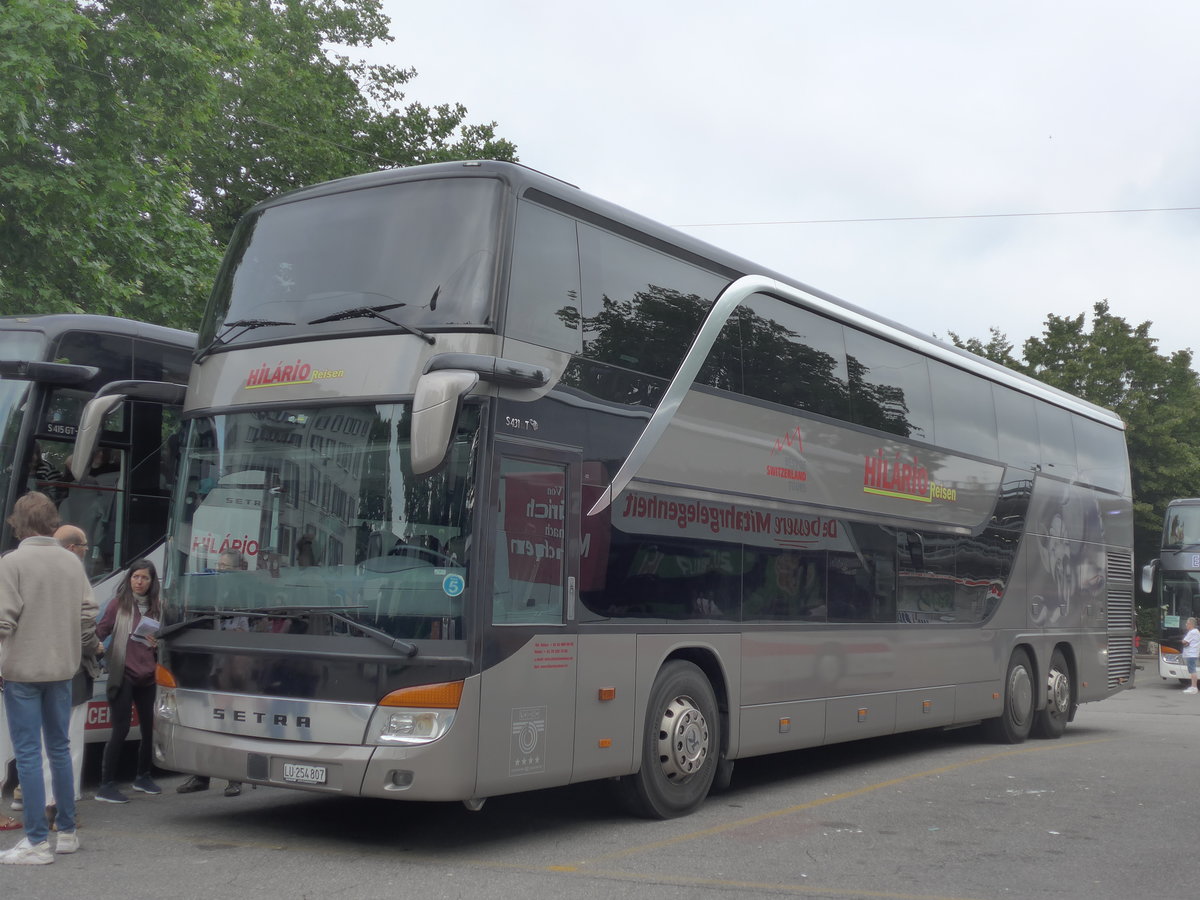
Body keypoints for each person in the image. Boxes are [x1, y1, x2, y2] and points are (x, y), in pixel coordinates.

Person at [0, 492, 97, 863]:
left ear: (19, 524)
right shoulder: (71, 562)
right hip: (63, 668)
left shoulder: (13, 562)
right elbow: (89, 609)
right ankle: (67, 831)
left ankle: (37, 841)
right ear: (53, 522)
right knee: (58, 749)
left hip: (23, 670)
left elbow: (3, 621)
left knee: (27, 754)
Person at [95, 559, 163, 803]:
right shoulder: (118, 604)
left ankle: (142, 777)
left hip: (148, 675)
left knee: (149, 728)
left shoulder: (158, 607)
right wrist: (96, 650)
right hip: (123, 673)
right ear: (129, 579)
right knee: (121, 728)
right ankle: (106, 785)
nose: (139, 582)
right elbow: (99, 633)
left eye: (145, 578)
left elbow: (165, 641)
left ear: (152, 582)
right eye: (135, 577)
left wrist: (159, 642)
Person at [177, 551, 243, 798]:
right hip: (206, 662)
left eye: (226, 566)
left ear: (236, 570)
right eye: (219, 565)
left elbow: (244, 628)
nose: (221, 570)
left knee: (230, 722)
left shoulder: (241, 595)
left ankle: (234, 777)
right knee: (203, 721)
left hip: (228, 664)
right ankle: (201, 774)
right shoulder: (205, 590)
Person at [1182, 617, 1200, 694]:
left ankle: (1194, 687)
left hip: (1191, 654)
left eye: (1187, 623)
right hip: (1192, 653)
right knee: (1192, 670)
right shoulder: (1195, 632)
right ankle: (1193, 686)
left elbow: (1184, 641)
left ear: (1191, 624)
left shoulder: (1192, 632)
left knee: (1192, 670)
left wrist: (1185, 642)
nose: (1186, 624)